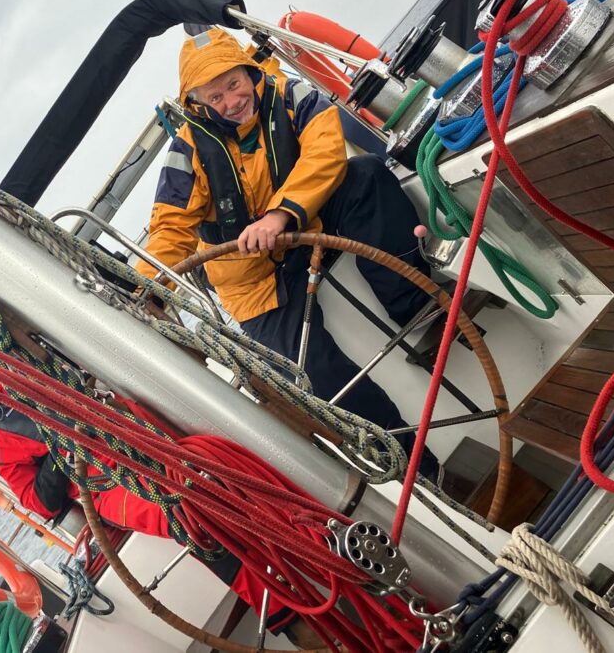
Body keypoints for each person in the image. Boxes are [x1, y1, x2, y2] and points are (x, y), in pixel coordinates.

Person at [0, 335, 310, 639]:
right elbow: (37, 500)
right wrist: (61, 453)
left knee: (224, 469)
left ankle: (311, 543)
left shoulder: (34, 358)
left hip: (140, 435)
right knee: (185, 514)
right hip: (107, 488)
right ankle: (288, 617)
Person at [139, 28, 439, 476]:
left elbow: (325, 152)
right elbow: (169, 228)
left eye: (234, 85)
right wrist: (146, 289)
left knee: (366, 176)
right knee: (310, 376)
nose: (230, 101)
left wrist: (280, 216)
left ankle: (417, 311)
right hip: (253, 283)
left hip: (307, 225)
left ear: (249, 71)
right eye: (215, 96)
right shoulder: (187, 149)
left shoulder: (291, 93)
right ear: (198, 102)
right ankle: (407, 462)